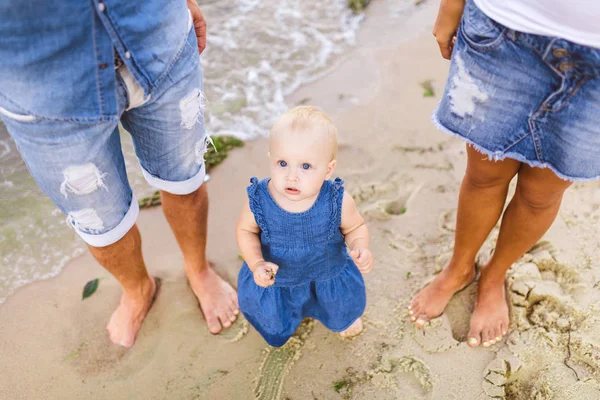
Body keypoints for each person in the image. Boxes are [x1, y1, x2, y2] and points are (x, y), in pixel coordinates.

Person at [0, 0, 238, 348]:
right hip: (44, 96)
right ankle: (138, 289)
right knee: (102, 225)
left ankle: (198, 268)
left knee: (184, 181)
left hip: (159, 39)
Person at [409, 0, 600, 347]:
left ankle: (494, 276)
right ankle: (459, 268)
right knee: (483, 173)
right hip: (506, 25)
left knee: (541, 193)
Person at [235, 106, 373, 347]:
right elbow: (245, 230)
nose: (292, 176)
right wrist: (256, 262)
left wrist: (359, 246)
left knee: (340, 308)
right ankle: (289, 317)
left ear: (328, 170)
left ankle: (342, 319)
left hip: (326, 273)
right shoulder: (259, 199)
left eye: (305, 166)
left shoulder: (336, 201)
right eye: (282, 163)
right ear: (271, 158)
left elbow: (355, 227)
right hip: (278, 279)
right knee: (275, 316)